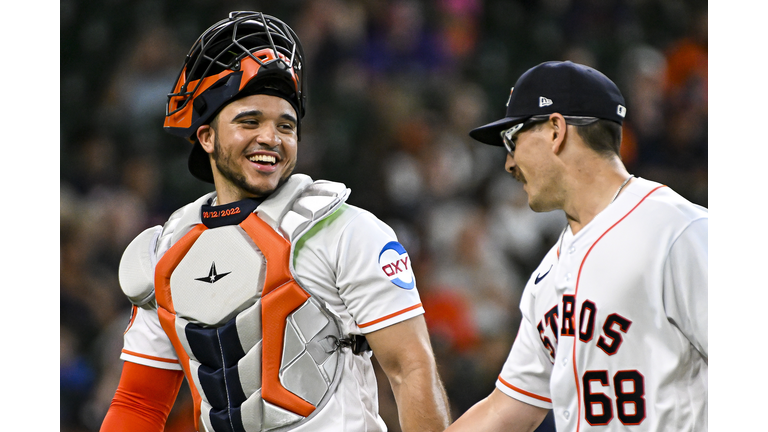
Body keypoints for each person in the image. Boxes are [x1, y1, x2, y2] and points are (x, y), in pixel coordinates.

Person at [99, 11, 450, 432]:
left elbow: (411, 370)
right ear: (206, 136)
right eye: (250, 121)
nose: (271, 137)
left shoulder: (347, 230)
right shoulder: (166, 250)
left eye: (286, 125)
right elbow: (139, 404)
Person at [445, 61, 707, 431]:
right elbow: (507, 408)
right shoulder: (547, 274)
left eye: (512, 140)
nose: (508, 163)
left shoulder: (678, 231)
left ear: (555, 130)